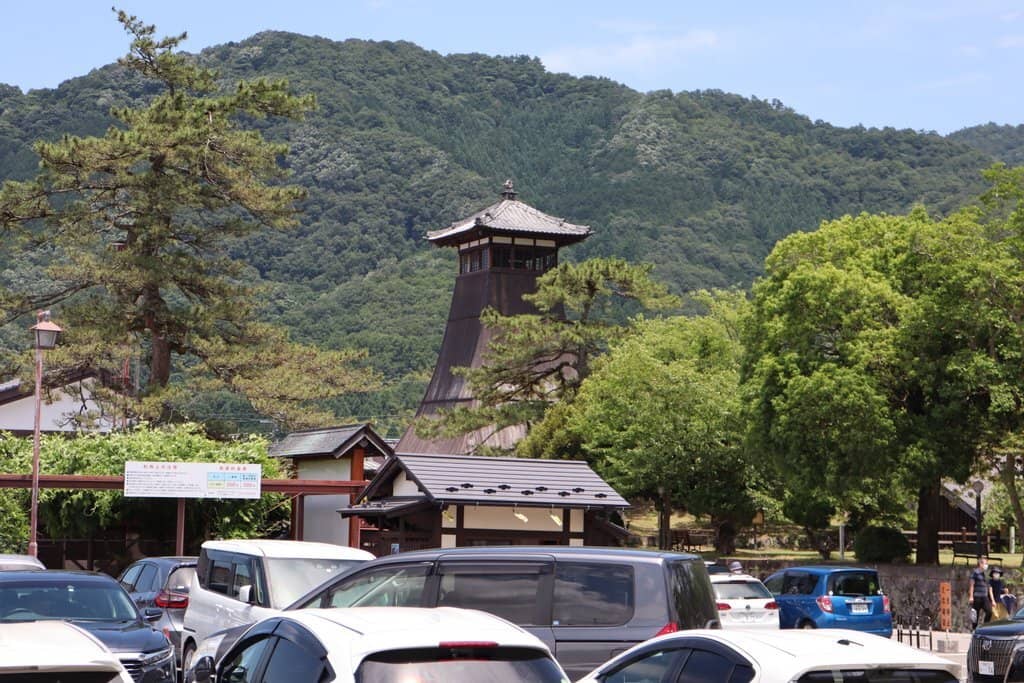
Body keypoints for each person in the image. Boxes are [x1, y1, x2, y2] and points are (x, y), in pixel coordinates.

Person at [970, 557, 995, 629]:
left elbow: (989, 587)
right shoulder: (975, 573)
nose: (986, 565)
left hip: (984, 597)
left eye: (987, 563)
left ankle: (984, 627)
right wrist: (971, 596)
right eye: (985, 563)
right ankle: (974, 629)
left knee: (989, 611)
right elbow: (972, 585)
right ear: (980, 564)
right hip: (977, 596)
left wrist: (992, 600)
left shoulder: (986, 574)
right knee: (975, 614)